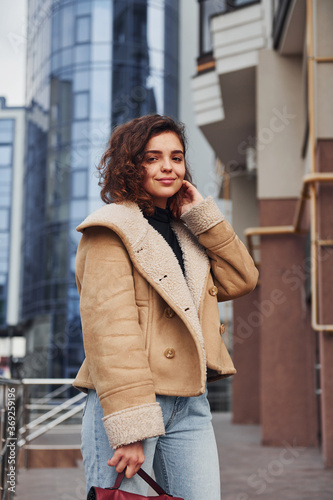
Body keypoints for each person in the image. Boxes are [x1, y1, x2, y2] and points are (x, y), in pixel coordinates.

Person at [74, 114, 258, 500]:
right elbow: (111, 336)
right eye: (153, 158)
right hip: (131, 401)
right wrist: (130, 427)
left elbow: (242, 278)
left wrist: (203, 219)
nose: (167, 167)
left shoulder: (185, 232)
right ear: (130, 164)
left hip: (190, 401)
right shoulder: (109, 231)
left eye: (176, 157)